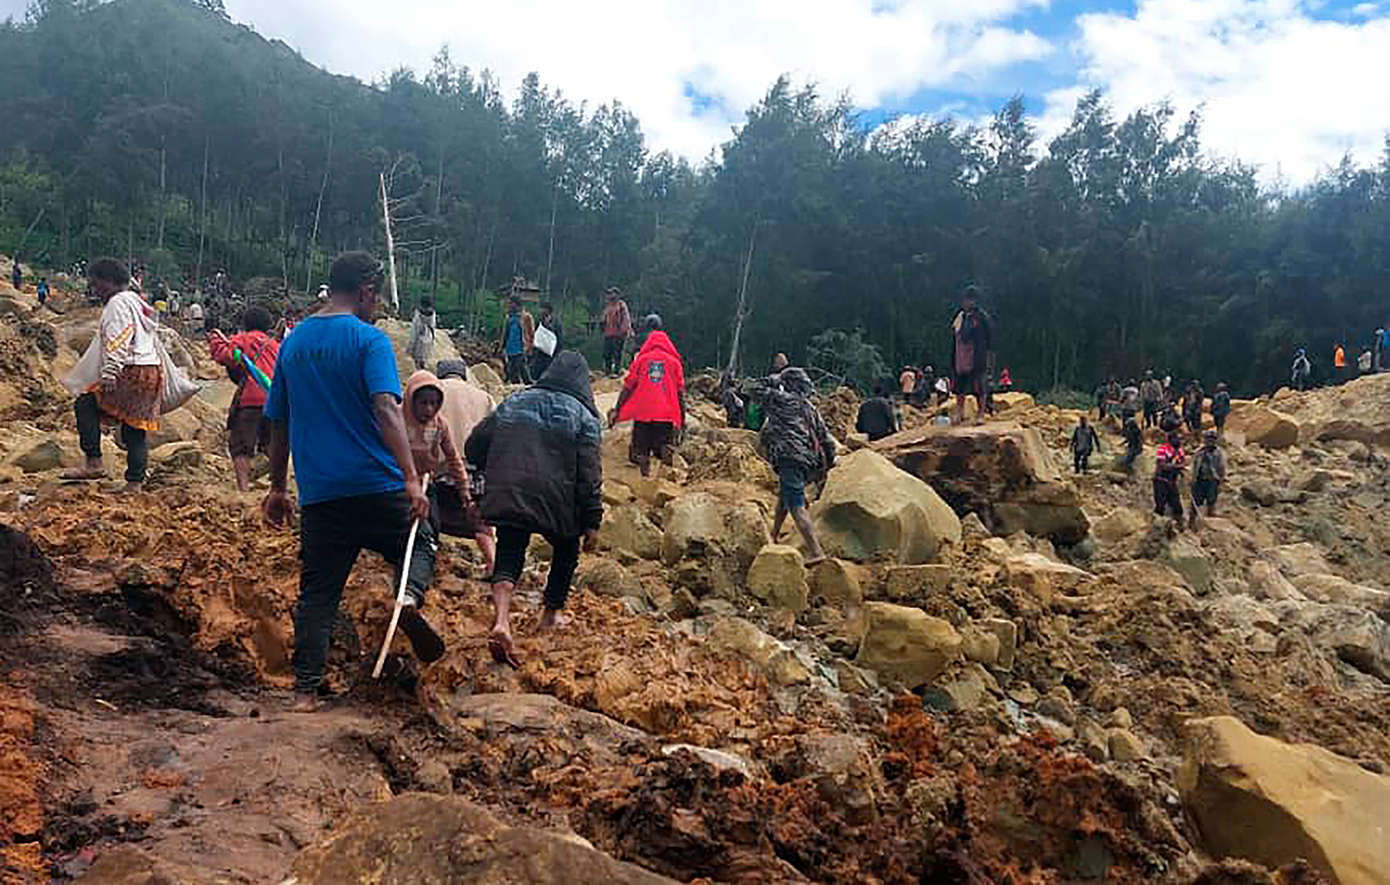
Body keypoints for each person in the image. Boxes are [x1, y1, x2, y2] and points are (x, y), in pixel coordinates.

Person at [261, 252, 443, 710]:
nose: (377, 303)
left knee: (318, 594)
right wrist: (411, 480)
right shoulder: (369, 341)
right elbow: (386, 408)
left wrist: (278, 488)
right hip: (377, 485)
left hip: (322, 494)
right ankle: (407, 597)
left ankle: (304, 692)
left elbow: (279, 423)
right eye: (376, 294)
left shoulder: (294, 343)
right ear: (365, 290)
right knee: (421, 540)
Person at [466, 351, 603, 668]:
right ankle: (550, 614)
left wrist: (486, 473)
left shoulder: (516, 401)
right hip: (558, 501)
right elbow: (589, 474)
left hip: (512, 491)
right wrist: (592, 521)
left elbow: (475, 443)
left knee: (511, 550)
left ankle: (501, 619)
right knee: (566, 551)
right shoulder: (585, 417)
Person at [62, 258, 162, 493]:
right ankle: (135, 483)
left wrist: (109, 372)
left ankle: (94, 462)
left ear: (109, 281)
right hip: (151, 370)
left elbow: (121, 337)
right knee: (134, 428)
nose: (95, 290)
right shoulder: (138, 302)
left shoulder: (117, 304)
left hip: (131, 370)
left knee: (85, 404)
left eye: (97, 284)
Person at [758, 367, 835, 564]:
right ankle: (773, 535)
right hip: (807, 460)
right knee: (784, 498)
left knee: (797, 507)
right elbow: (826, 439)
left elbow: (749, 387)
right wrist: (829, 464)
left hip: (789, 457)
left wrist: (771, 380)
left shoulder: (780, 400)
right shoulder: (810, 408)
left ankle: (816, 551)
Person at [434, 359, 498, 575]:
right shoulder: (483, 397)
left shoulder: (433, 391)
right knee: (482, 526)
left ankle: (427, 563)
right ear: (463, 375)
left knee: (429, 519)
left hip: (441, 470)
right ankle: (493, 566)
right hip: (475, 472)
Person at [208, 305, 280, 493]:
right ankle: (275, 486)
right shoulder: (275, 345)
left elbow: (225, 356)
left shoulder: (241, 340)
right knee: (271, 443)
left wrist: (215, 340)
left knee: (242, 446)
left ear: (245, 324)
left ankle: (244, 488)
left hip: (250, 399)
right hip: (274, 399)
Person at [610, 315, 686, 478]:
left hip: (643, 411)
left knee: (641, 449)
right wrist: (682, 418)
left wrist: (618, 409)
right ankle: (665, 481)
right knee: (665, 446)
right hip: (665, 413)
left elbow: (628, 387)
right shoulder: (674, 362)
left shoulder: (641, 360)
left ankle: (645, 479)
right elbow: (680, 393)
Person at [949, 288, 992, 424]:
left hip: (977, 356)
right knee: (959, 387)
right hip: (961, 357)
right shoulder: (960, 317)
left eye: (971, 300)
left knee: (979, 387)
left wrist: (988, 354)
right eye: (966, 300)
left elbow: (990, 337)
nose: (968, 302)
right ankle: (960, 412)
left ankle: (980, 414)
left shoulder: (982, 317)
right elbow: (955, 336)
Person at [1189, 429, 1227, 529]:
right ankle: (1191, 523)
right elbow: (1194, 465)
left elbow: (1221, 467)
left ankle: (1211, 525)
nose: (1210, 441)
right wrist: (1192, 479)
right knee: (1195, 502)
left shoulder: (1218, 452)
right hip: (1200, 480)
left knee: (1211, 501)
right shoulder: (1199, 451)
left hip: (1212, 480)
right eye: (1208, 439)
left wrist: (1221, 480)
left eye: (1212, 439)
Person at [1153, 432, 1188, 526]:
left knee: (1177, 506)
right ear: (1171, 440)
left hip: (1172, 481)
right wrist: (1177, 467)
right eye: (1178, 439)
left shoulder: (1180, 451)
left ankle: (1178, 526)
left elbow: (1183, 463)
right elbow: (1162, 465)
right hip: (1161, 480)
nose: (1180, 441)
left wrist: (1179, 468)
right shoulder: (1163, 449)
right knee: (1160, 505)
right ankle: (1156, 525)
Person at [498, 295, 534, 384]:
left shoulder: (526, 317)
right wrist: (501, 346)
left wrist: (530, 347)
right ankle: (516, 386)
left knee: (521, 368)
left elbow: (531, 333)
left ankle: (528, 384)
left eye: (511, 303)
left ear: (516, 304)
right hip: (510, 348)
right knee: (512, 370)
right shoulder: (509, 317)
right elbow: (505, 333)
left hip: (521, 348)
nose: (509, 305)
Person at [601, 286, 632, 376]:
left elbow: (626, 319)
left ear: (617, 295)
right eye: (609, 294)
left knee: (617, 353)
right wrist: (602, 325)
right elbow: (604, 318)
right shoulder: (608, 306)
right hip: (608, 333)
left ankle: (616, 371)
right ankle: (607, 371)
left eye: (612, 293)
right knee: (607, 353)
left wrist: (625, 331)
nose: (610, 295)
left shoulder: (621, 305)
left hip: (618, 334)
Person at [531, 301, 563, 379]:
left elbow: (559, 339)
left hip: (551, 356)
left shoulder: (556, 323)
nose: (541, 311)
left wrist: (557, 354)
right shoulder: (539, 322)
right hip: (539, 354)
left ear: (549, 310)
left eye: (543, 309)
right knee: (536, 375)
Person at [408, 296, 436, 371]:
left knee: (418, 363)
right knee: (424, 361)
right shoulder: (432, 315)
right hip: (428, 338)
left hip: (419, 341)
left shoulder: (418, 316)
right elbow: (433, 328)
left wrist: (410, 349)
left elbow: (414, 333)